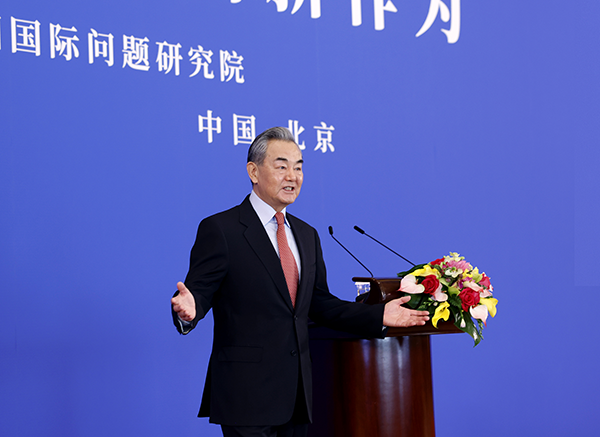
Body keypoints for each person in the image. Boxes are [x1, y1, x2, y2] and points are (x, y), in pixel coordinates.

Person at [171, 127, 429, 437]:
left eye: (298, 167)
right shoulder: (222, 229)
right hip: (245, 396)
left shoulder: (307, 235)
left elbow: (320, 303)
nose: (292, 177)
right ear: (253, 171)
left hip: (297, 396)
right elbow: (198, 293)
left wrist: (379, 315)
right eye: (281, 167)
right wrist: (190, 310)